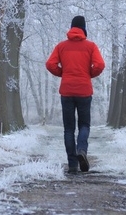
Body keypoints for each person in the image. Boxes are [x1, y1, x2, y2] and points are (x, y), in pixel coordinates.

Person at [45, 15, 105, 173]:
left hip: (67, 90)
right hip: (84, 90)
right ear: (84, 28)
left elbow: (50, 64)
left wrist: (62, 73)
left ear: (71, 28)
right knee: (84, 124)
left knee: (68, 128)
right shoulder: (91, 46)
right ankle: (82, 150)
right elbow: (100, 65)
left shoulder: (61, 46)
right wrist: (89, 74)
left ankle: (72, 164)